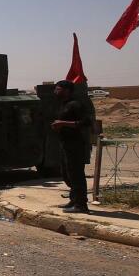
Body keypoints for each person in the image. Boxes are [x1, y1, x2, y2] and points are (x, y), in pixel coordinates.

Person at [52, 80, 91, 213]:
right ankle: (74, 200)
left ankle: (81, 205)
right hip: (65, 144)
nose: (55, 92)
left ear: (66, 90)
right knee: (66, 173)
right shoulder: (63, 105)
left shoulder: (76, 104)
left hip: (76, 144)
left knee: (76, 174)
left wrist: (63, 123)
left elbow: (86, 122)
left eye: (58, 89)